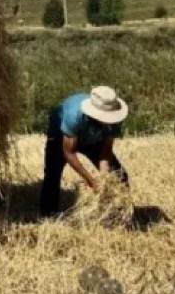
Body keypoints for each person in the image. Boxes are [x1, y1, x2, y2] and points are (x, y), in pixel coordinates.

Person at [40, 86, 129, 217]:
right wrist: (91, 181)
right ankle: (48, 214)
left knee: (119, 175)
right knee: (53, 172)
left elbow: (106, 151)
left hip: (93, 138)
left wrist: (104, 179)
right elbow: (69, 153)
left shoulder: (115, 119)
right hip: (61, 134)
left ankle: (120, 214)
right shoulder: (74, 115)